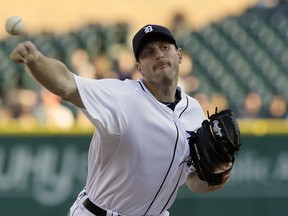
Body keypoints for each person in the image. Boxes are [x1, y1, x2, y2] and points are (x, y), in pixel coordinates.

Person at [10, 24, 232, 216]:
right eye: (148, 52)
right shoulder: (121, 97)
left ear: (180, 55)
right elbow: (66, 84)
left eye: (165, 47)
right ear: (139, 68)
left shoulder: (193, 111)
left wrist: (221, 173)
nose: (159, 54)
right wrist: (36, 60)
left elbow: (194, 181)